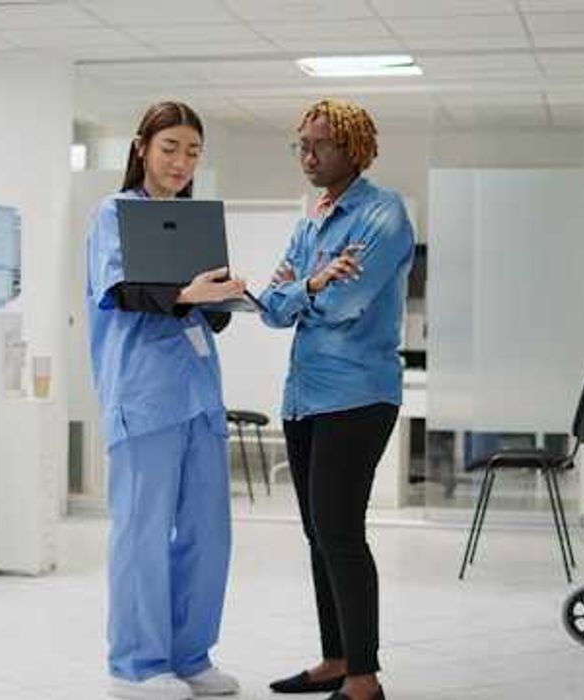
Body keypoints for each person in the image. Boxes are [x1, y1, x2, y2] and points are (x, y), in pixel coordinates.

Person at [87, 101, 246, 700]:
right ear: (142, 148)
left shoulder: (194, 221)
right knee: (142, 532)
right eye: (170, 148)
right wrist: (187, 293)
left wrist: (222, 295)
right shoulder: (115, 213)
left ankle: (190, 655)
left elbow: (207, 315)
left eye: (193, 152)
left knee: (209, 531)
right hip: (144, 394)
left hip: (199, 395)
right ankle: (136, 665)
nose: (181, 162)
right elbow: (121, 291)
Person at [260, 99, 415, 700]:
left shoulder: (383, 214)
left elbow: (346, 304)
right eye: (300, 144)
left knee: (340, 531)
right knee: (317, 533)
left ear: (352, 148)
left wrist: (305, 292)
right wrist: (314, 282)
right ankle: (336, 657)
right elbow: (271, 307)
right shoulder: (311, 224)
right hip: (304, 396)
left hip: (357, 395)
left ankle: (363, 679)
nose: (306, 155)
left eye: (318, 145)